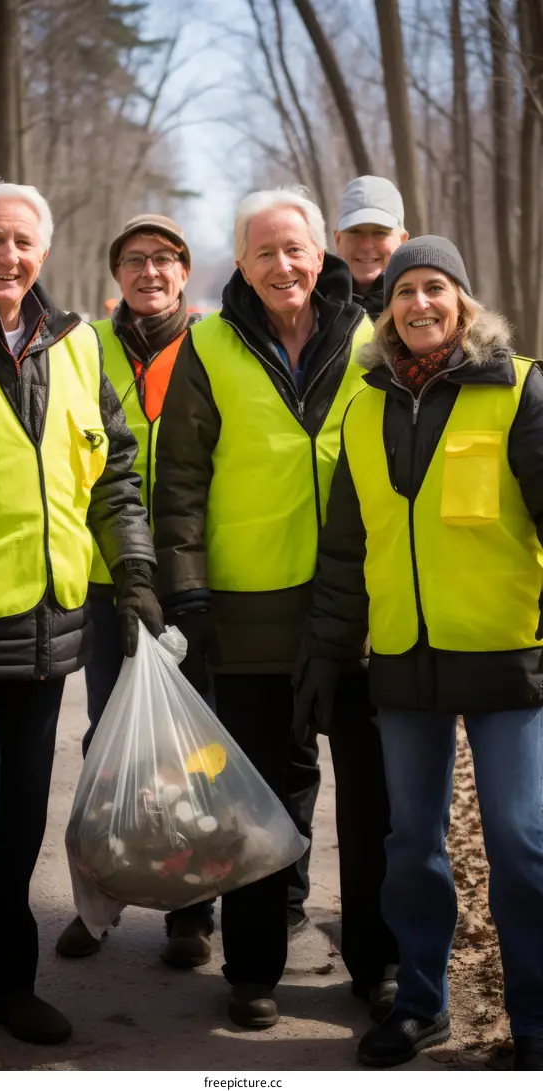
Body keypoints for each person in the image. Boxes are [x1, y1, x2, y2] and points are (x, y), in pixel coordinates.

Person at [294, 236, 543, 1071]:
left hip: (511, 660)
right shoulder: (362, 406)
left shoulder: (521, 389)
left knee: (520, 841)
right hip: (402, 662)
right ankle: (423, 1004)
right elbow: (344, 547)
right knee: (412, 847)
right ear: (388, 308)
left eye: (436, 288)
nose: (420, 304)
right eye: (406, 291)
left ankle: (535, 1021)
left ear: (463, 302)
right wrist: (328, 656)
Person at [153, 185, 398, 1030]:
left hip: (359, 607)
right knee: (255, 797)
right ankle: (252, 968)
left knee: (373, 797)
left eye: (294, 248)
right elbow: (178, 477)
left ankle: (378, 961)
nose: (283, 265)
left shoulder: (371, 336)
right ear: (243, 265)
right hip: (248, 610)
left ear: (320, 251)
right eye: (264, 252)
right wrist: (187, 587)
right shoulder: (209, 344)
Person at [0, 181, 163, 1071]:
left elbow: (112, 475)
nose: (10, 256)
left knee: (21, 818)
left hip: (47, 630)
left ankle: (9, 985)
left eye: (24, 241)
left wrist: (138, 568)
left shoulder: (75, 347)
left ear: (45, 250)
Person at [55, 214, 215, 969]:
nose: (150, 271)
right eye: (134, 260)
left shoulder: (214, 345)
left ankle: (190, 910)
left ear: (184, 271)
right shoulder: (82, 345)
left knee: (188, 752)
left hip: (189, 577)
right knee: (107, 749)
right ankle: (99, 903)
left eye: (164, 258)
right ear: (115, 274)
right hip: (103, 578)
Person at [334, 176, 407, 320]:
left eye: (380, 232)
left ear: (403, 240)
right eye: (355, 231)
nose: (366, 245)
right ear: (338, 240)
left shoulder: (421, 307)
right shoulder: (311, 309)